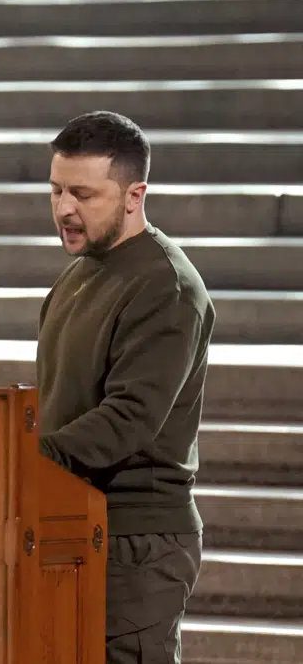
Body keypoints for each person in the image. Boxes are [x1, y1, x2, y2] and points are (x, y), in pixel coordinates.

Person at [35, 110, 215, 664]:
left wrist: (23, 458)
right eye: (57, 190)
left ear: (135, 195)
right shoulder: (81, 270)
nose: (64, 208)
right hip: (73, 519)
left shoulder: (166, 285)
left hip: (137, 540)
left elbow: (129, 418)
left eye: (84, 194)